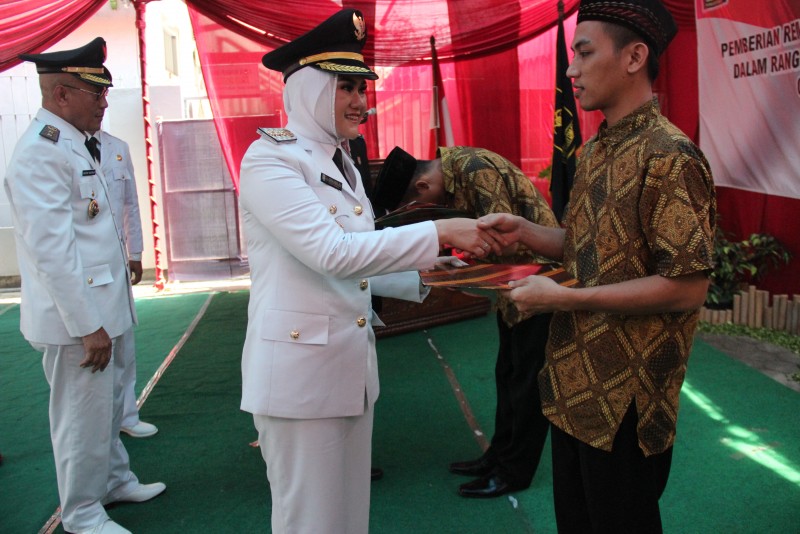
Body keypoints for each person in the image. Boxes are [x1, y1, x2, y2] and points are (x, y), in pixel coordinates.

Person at [237, 10, 500, 534]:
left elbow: (355, 257)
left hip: (347, 370)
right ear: (308, 90)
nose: (362, 100)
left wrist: (425, 271)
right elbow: (332, 253)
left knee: (349, 518)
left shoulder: (341, 160)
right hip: (300, 378)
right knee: (310, 522)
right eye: (346, 87)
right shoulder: (270, 159)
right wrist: (440, 231)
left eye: (363, 87)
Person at [478, 0, 716, 531]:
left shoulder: (670, 156)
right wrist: (526, 232)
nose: (571, 70)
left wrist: (566, 299)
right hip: (571, 385)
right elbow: (588, 245)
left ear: (634, 57)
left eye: (584, 53)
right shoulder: (596, 150)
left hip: (627, 398)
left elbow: (687, 286)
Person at [5, 38, 165, 534]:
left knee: (107, 408)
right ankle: (81, 513)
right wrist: (87, 325)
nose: (104, 102)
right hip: (77, 321)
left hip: (102, 309)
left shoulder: (75, 142)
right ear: (61, 95)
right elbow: (53, 253)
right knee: (80, 418)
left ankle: (114, 481)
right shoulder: (41, 153)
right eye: (95, 93)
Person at [373, 146, 559, 498]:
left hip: (539, 286)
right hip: (512, 287)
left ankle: (515, 471)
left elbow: (502, 242)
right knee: (508, 375)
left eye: (418, 205)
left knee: (526, 385)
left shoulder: (473, 168)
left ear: (423, 186)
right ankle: (497, 457)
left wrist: (454, 254)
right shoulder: (457, 170)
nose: (429, 211)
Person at [85, 123, 158, 439]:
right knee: (99, 350)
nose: (102, 104)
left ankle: (128, 415)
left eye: (104, 99)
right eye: (96, 98)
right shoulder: (66, 148)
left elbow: (130, 203)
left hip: (116, 263)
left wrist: (136, 251)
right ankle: (104, 423)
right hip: (87, 268)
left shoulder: (117, 148)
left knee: (125, 344)